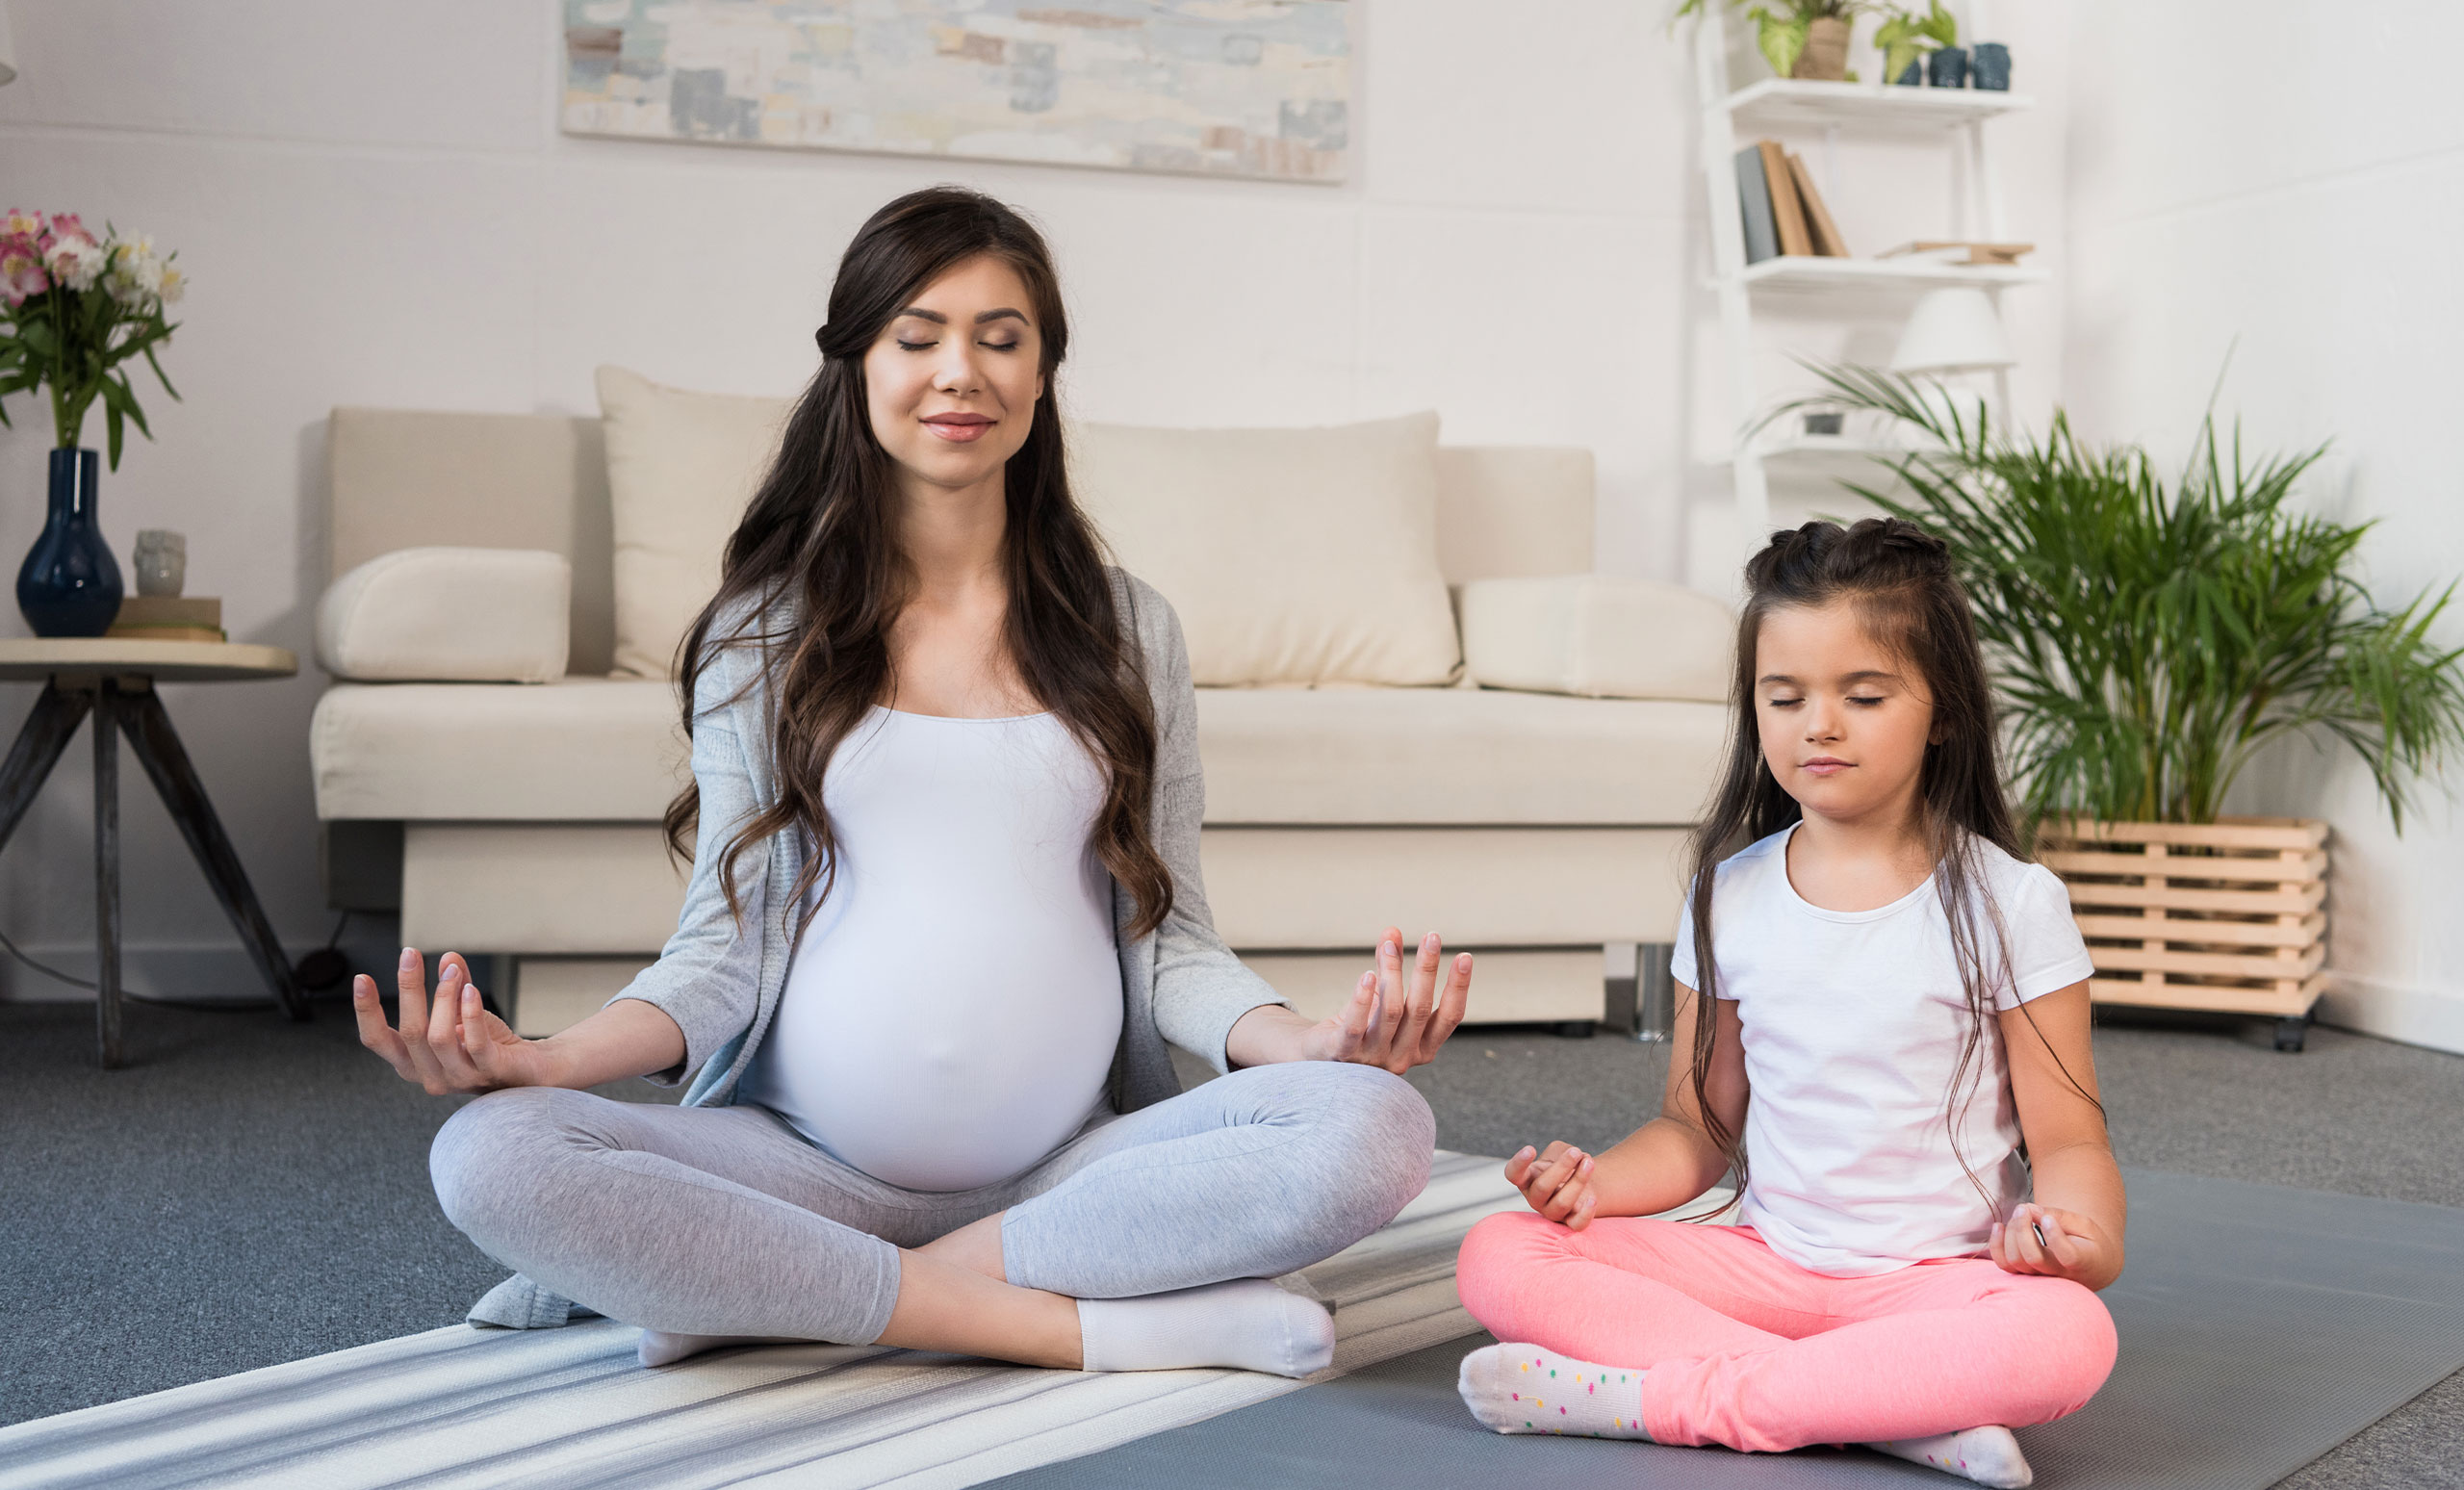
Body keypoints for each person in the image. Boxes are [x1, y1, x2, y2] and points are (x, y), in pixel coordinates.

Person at [352, 186, 1470, 1378]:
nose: (962, 372)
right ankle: (1070, 1322)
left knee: (1374, 1127)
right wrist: (546, 1059)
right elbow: (720, 955)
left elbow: (1173, 938)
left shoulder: (1128, 630)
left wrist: (1297, 1038)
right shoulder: (762, 636)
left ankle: (777, 1290)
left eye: (1002, 339)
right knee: (491, 1152)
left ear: (1042, 379)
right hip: (799, 1168)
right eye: (919, 335)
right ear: (858, 365)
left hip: (1066, 1173)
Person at [1451, 518, 2122, 1488]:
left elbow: (2068, 1145)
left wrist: (2080, 1243)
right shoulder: (1728, 893)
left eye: (1863, 694)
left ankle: (1657, 1404)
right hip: (1761, 1272)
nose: (1820, 724)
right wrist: (1590, 1185)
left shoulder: (2013, 903)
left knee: (2068, 1335)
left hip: (1934, 1286)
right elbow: (1695, 1129)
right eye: (1785, 696)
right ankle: (1889, 1413)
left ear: (1942, 713)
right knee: (1501, 1249)